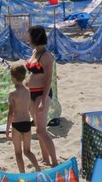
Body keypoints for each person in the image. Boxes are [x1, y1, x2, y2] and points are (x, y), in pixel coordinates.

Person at [25, 26, 58, 166]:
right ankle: (45, 158)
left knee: (41, 130)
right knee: (38, 128)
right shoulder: (34, 52)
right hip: (31, 93)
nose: (27, 38)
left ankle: (55, 162)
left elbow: (48, 80)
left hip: (41, 94)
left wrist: (42, 101)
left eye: (29, 36)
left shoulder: (46, 56)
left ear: (34, 37)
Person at [6, 66, 38, 172]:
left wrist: (7, 130)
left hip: (17, 124)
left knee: (18, 153)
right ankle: (38, 169)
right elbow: (29, 107)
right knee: (28, 151)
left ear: (13, 78)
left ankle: (23, 174)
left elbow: (11, 113)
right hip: (27, 123)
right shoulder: (28, 91)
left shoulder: (12, 93)